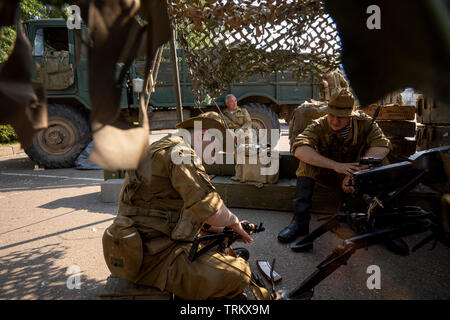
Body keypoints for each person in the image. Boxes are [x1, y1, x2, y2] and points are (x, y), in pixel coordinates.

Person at [102, 112, 255, 300]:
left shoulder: (161, 147)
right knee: (241, 275)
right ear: (204, 134)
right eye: (214, 149)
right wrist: (235, 222)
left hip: (141, 244)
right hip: (156, 257)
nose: (213, 159)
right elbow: (211, 209)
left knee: (215, 238)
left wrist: (224, 229)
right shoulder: (182, 153)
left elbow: (177, 209)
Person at [278, 89, 409, 255]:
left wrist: (356, 172)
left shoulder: (365, 123)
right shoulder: (319, 124)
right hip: (329, 174)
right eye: (331, 115)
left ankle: (384, 226)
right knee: (307, 163)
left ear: (351, 115)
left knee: (381, 162)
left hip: (358, 175)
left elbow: (382, 146)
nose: (334, 121)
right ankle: (300, 222)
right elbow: (299, 149)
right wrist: (335, 166)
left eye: (340, 117)